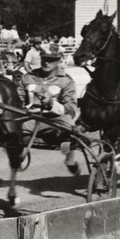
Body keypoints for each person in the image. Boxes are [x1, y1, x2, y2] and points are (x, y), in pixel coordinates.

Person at [19, 41, 81, 175]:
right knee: (9, 129)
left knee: (69, 128)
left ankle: (70, 156)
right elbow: (17, 99)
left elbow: (71, 108)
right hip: (30, 119)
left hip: (54, 121)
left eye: (51, 60)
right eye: (44, 59)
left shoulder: (66, 81)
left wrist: (52, 104)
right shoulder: (28, 78)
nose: (46, 63)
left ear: (58, 61)